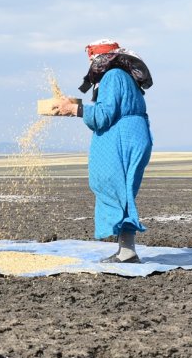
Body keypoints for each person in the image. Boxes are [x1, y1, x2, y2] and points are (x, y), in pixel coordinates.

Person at [52, 39, 153, 263]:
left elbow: (104, 115)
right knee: (120, 190)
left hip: (123, 139)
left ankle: (127, 252)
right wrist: (74, 104)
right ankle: (126, 250)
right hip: (130, 135)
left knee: (115, 189)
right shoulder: (121, 76)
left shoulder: (113, 76)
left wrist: (74, 109)